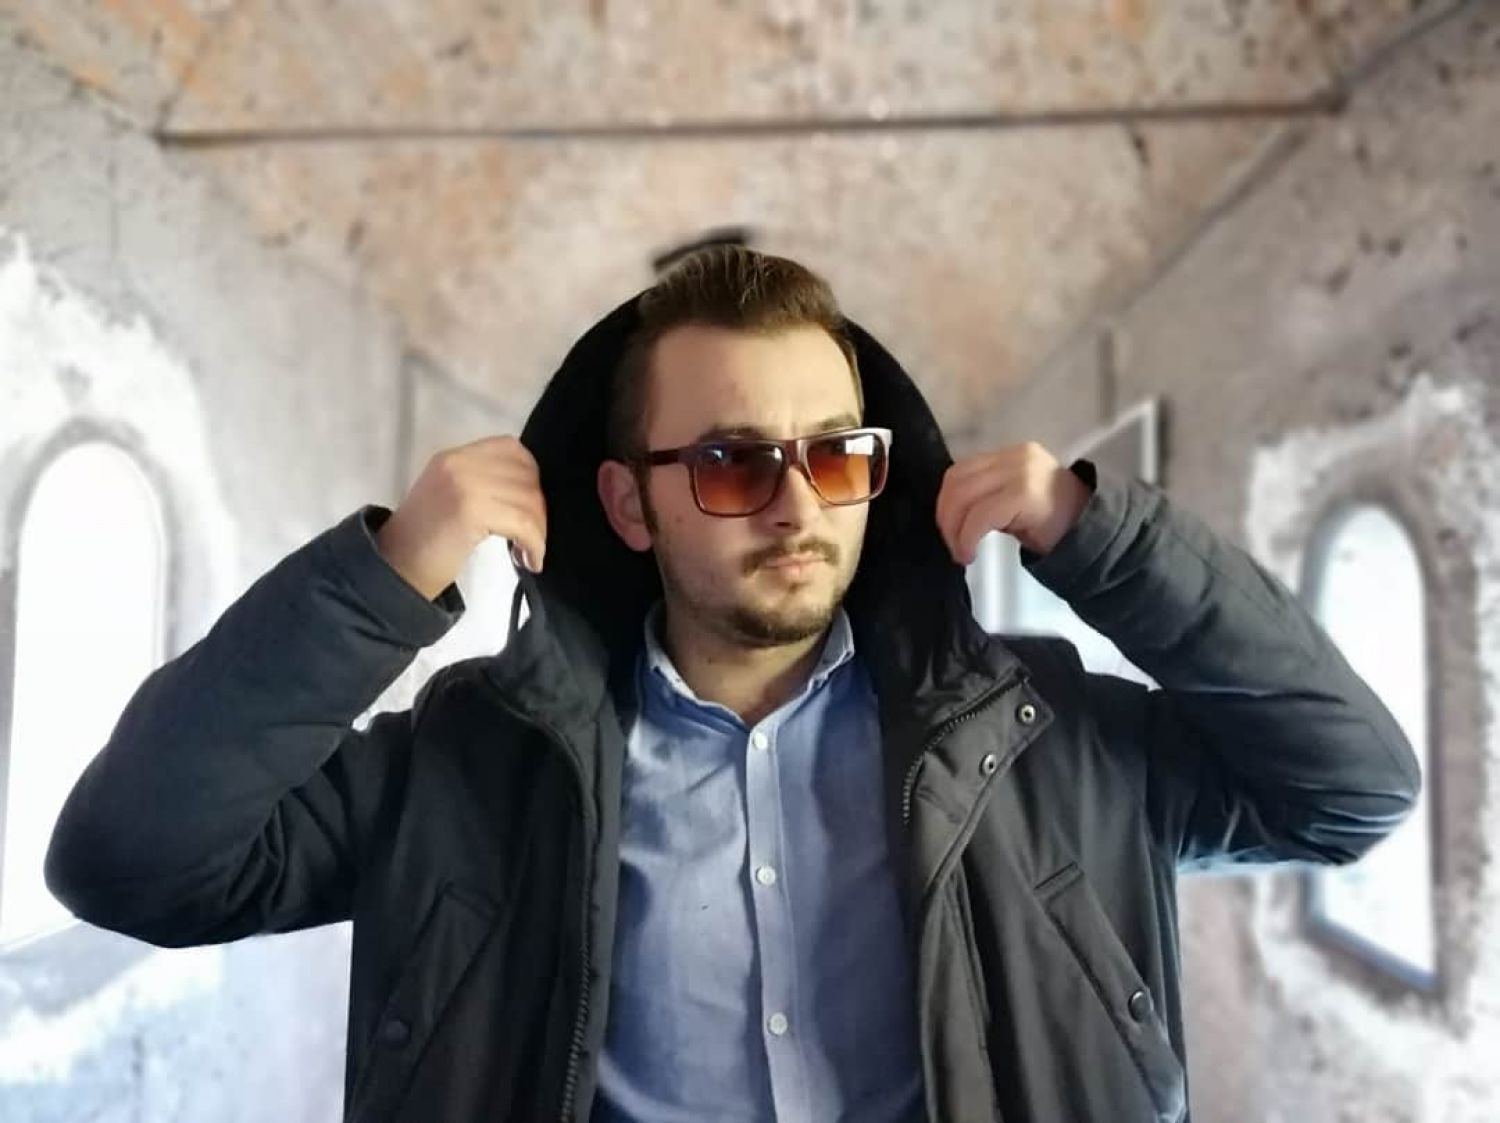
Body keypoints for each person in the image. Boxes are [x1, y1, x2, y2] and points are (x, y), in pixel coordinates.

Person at [45, 245, 1420, 1123]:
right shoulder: (472, 766)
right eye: (728, 462)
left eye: (834, 454)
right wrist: (391, 574)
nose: (796, 504)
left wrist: (1102, 538)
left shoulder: (1041, 745)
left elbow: (1351, 789)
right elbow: (133, 861)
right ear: (626, 504)